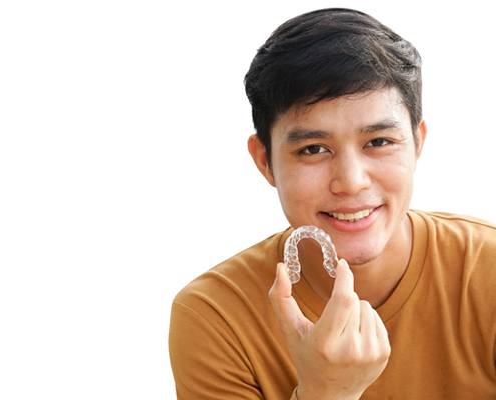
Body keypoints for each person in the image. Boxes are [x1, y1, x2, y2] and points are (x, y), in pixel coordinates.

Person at [168, 8, 496, 399]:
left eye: (378, 142)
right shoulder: (214, 316)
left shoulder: (487, 275)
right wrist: (325, 393)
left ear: (417, 143)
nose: (351, 181)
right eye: (313, 149)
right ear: (264, 161)